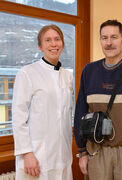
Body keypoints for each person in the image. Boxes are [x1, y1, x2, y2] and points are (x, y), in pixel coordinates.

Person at [74, 19, 122, 180]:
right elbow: (80, 112)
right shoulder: (89, 71)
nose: (109, 43)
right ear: (100, 41)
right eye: (104, 38)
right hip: (97, 150)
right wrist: (81, 151)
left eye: (114, 37)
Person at [12, 24, 73, 180]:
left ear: (62, 44)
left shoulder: (68, 76)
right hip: (36, 156)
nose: (53, 44)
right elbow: (19, 117)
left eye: (57, 39)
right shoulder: (27, 73)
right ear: (40, 46)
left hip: (63, 154)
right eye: (48, 40)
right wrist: (27, 153)